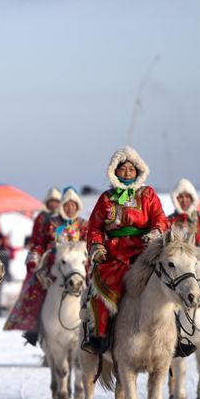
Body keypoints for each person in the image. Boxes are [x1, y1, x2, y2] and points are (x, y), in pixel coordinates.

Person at [83, 147, 169, 355]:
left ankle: (175, 338)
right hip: (114, 255)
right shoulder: (106, 198)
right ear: (115, 171)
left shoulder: (148, 194)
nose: (128, 172)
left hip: (145, 252)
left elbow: (160, 219)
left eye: (132, 169)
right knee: (99, 290)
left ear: (139, 171)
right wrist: (97, 245)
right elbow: (94, 227)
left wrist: (155, 233)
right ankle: (99, 335)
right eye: (124, 169)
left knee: (170, 284)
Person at [5, 187, 87, 345]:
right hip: (53, 267)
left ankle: (94, 329)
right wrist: (34, 257)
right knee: (35, 288)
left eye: (73, 205)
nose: (70, 208)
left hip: (78, 267)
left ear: (78, 206)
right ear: (62, 207)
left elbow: (90, 246)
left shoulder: (84, 225)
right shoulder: (51, 223)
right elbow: (40, 243)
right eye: (67, 205)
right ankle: (34, 328)